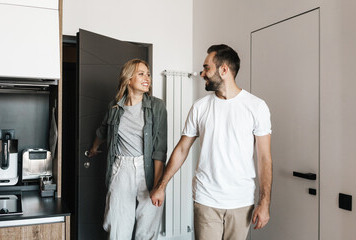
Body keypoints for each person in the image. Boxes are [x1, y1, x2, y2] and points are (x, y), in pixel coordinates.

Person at [150, 44, 272, 240]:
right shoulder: (200, 108)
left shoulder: (256, 107)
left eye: (207, 68)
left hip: (241, 202)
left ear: (224, 70)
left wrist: (264, 202)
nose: (202, 74)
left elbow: (264, 158)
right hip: (206, 199)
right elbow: (182, 149)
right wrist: (161, 186)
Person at [88, 59, 167, 240]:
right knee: (117, 229)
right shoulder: (114, 107)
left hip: (147, 169)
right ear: (128, 79)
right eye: (141, 73)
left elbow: (159, 150)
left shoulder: (157, 106)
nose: (147, 78)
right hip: (121, 168)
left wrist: (157, 186)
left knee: (146, 231)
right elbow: (103, 131)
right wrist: (93, 148)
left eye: (148, 74)